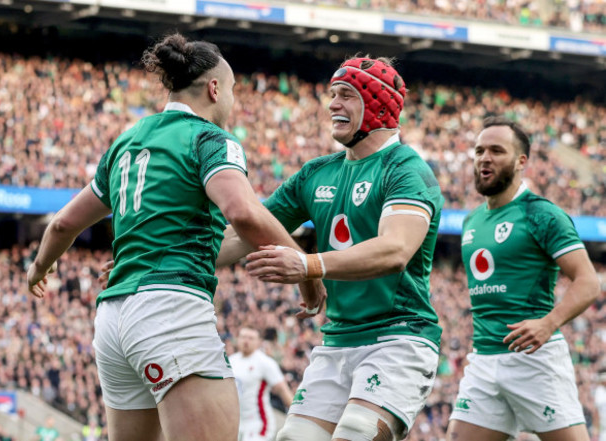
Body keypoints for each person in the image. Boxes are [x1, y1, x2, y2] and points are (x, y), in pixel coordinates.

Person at [27, 32, 322, 441]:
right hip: (170, 308)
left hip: (112, 321)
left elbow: (63, 224)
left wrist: (40, 266)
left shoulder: (126, 141)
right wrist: (307, 270)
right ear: (215, 89)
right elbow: (242, 212)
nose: (234, 103)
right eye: (234, 91)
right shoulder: (210, 139)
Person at [220, 56, 445, 441]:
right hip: (337, 342)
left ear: (378, 103)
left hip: (398, 337)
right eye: (332, 95)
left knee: (357, 433)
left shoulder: (405, 169)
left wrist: (309, 265)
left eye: (345, 95)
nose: (332, 105)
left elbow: (395, 251)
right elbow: (246, 232)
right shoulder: (317, 172)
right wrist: (154, 264)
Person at [446, 116, 600, 441]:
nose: (485, 157)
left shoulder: (541, 214)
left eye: (497, 151)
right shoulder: (471, 220)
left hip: (534, 361)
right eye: (479, 150)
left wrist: (548, 323)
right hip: (484, 360)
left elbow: (588, 281)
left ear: (521, 161)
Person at [230, 326, 294, 441]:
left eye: (251, 338)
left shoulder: (264, 363)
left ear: (258, 342)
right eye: (243, 337)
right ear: (237, 339)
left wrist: (296, 417)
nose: (246, 341)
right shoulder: (231, 361)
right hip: (238, 423)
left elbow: (282, 390)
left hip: (259, 424)